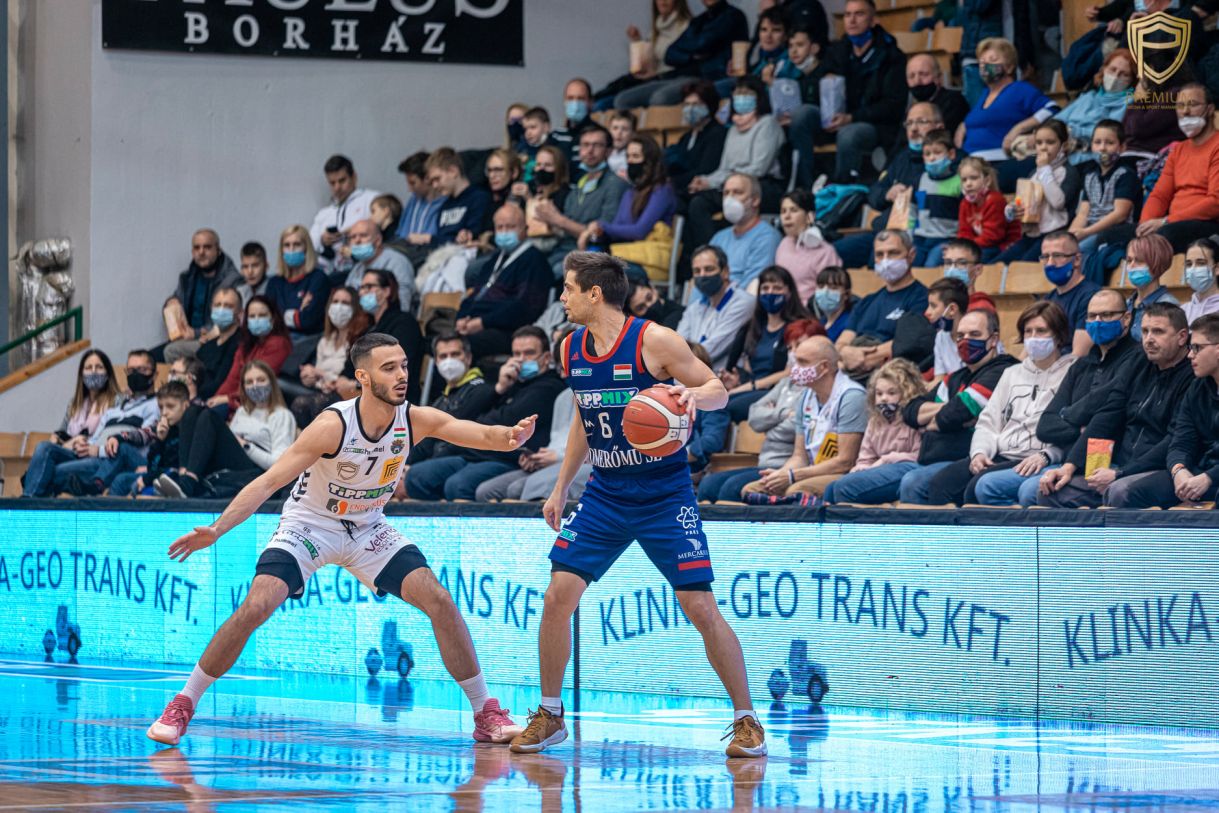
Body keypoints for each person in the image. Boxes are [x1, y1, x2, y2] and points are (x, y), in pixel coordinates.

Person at [147, 333, 537, 747]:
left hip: (368, 527)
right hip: (310, 525)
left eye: (404, 365)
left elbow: (469, 432)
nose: (402, 375)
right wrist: (218, 529)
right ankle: (183, 703)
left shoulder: (412, 419)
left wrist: (508, 436)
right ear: (363, 377)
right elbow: (268, 482)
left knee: (439, 600)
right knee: (256, 605)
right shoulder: (333, 425)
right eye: (389, 368)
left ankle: (485, 713)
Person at [508, 251, 766, 759]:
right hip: (605, 492)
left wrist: (694, 397)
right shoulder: (571, 347)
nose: (562, 297)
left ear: (594, 293)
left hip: (664, 493)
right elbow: (585, 418)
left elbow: (716, 388)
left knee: (700, 607)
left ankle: (747, 720)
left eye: (568, 288)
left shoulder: (655, 340)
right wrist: (561, 487)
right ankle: (551, 714)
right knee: (558, 596)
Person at [1039, 302, 1194, 509]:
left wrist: (1120, 473)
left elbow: (1174, 440)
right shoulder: (1139, 362)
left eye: (1158, 332)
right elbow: (1108, 414)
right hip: (1120, 466)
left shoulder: (1193, 376)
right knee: (1050, 492)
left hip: (1161, 469)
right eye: (1145, 331)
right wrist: (1069, 466)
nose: (1149, 339)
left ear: (1182, 337)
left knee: (1119, 491)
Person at [923, 301, 1075, 505]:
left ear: (1058, 335)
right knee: (940, 485)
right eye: (1028, 331)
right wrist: (979, 453)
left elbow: (1074, 430)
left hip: (1039, 458)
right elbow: (988, 423)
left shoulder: (1074, 372)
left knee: (977, 487)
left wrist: (1049, 455)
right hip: (1001, 454)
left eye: (1041, 331)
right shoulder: (1011, 373)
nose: (1033, 338)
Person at [406, 327, 565, 501]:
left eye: (529, 353)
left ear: (547, 358)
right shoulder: (511, 384)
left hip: (506, 457)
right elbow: (465, 420)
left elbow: (502, 420)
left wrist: (481, 420)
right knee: (416, 476)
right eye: (516, 354)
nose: (520, 360)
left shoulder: (548, 387)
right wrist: (501, 388)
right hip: (476, 453)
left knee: (458, 485)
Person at [890, 308, 1018, 503]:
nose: (965, 341)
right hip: (928, 458)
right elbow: (910, 411)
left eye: (974, 334)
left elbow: (952, 416)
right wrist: (952, 407)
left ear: (993, 340)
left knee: (913, 482)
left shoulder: (1002, 371)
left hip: (968, 457)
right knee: (844, 487)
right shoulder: (955, 377)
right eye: (960, 336)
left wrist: (937, 417)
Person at [691, 266, 813, 468]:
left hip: (776, 389)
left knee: (722, 403)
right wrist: (739, 380)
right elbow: (746, 365)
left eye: (777, 288)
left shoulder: (796, 327)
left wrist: (749, 387)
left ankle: (701, 455)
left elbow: (790, 371)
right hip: (751, 388)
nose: (770, 293)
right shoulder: (752, 327)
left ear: (789, 291)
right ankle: (696, 453)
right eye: (765, 288)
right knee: (709, 400)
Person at [697, 318, 824, 502]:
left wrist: (770, 423)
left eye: (799, 345)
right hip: (764, 463)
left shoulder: (815, 388)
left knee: (730, 489)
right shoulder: (785, 383)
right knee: (708, 485)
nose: (794, 353)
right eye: (790, 347)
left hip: (788, 466)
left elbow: (795, 426)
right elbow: (754, 415)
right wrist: (783, 414)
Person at [787, 0, 906, 186]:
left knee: (849, 134)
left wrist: (851, 117)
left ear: (873, 20)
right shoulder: (837, 50)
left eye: (859, 14)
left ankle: (842, 191)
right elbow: (814, 89)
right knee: (802, 114)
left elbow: (892, 106)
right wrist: (824, 79)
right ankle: (805, 186)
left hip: (873, 125)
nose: (852, 20)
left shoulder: (891, 56)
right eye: (847, 14)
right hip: (836, 118)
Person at [1032, 287, 1141, 485]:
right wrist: (1079, 428)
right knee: (985, 485)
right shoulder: (1080, 365)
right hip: (1065, 458)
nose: (1098, 321)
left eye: (1106, 315)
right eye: (1092, 316)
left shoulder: (1137, 357)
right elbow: (1045, 426)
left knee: (1029, 490)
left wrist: (1066, 413)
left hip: (1110, 463)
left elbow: (1108, 400)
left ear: (1126, 318)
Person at [740, 336, 865, 502]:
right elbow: (800, 456)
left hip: (843, 474)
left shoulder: (851, 397)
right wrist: (781, 474)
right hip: (811, 470)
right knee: (752, 489)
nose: (795, 368)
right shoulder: (806, 397)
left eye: (802, 362)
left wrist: (793, 476)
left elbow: (845, 462)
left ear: (824, 367)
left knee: (796, 491)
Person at [22, 350, 161, 498]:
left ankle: (28, 501)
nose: (135, 375)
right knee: (44, 447)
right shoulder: (113, 411)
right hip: (90, 455)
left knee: (50, 471)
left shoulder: (157, 405)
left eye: (142, 370)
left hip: (110, 461)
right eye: (131, 371)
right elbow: (95, 439)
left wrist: (97, 450)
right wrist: (83, 446)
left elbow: (141, 438)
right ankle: (29, 498)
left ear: (155, 374)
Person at [829, 101, 943, 269]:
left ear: (939, 127)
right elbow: (874, 193)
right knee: (829, 255)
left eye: (921, 122)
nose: (914, 129)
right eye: (909, 123)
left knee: (880, 261)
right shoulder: (902, 157)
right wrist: (887, 194)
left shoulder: (949, 162)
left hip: (918, 236)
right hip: (883, 232)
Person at [685, 78, 786, 258]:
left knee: (733, 202)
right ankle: (710, 254)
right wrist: (706, 181)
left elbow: (759, 168)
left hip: (762, 185)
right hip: (731, 184)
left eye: (747, 94)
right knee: (698, 203)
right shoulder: (732, 130)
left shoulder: (768, 124)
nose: (741, 98)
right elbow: (724, 168)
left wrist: (726, 181)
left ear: (758, 98)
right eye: (738, 94)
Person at [1128, 313, 1219, 507]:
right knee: (1135, 492)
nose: (1190, 355)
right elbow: (1181, 442)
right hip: (1200, 471)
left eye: (1197, 348)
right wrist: (1179, 470)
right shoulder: (1198, 388)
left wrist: (1209, 477)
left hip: (1212, 476)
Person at [956, 37, 1059, 193]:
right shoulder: (983, 95)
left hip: (998, 163)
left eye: (992, 60)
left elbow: (1052, 109)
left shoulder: (1020, 89)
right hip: (970, 164)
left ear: (1010, 67)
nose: (985, 66)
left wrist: (1018, 128)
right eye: (982, 62)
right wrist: (964, 125)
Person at [456, 204, 553, 360]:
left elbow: (524, 308)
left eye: (511, 227)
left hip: (507, 331)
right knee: (439, 339)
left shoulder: (534, 261)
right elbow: (474, 294)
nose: (504, 232)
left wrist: (483, 322)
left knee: (459, 346)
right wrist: (462, 318)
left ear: (525, 228)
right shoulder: (494, 259)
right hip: (477, 323)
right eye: (500, 227)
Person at [613, 0, 750, 109]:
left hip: (711, 77)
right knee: (622, 100)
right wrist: (691, 56)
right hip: (682, 75)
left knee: (660, 98)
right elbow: (670, 54)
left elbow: (703, 44)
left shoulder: (733, 16)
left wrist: (689, 50)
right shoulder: (698, 21)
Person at [823, 358, 925, 504]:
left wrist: (886, 459)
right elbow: (866, 457)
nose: (884, 398)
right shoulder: (874, 422)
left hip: (907, 469)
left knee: (843, 487)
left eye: (891, 393)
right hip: (877, 469)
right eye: (879, 393)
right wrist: (861, 468)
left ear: (907, 393)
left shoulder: (914, 419)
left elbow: (919, 456)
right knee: (830, 488)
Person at [534, 125, 628, 274]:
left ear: (609, 151)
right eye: (585, 145)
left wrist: (559, 220)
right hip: (563, 248)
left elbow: (601, 234)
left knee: (544, 272)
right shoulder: (581, 182)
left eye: (597, 145)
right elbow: (567, 223)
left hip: (591, 253)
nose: (590, 150)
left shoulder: (615, 185)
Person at [1137, 83, 1219, 253]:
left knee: (1163, 236)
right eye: (1180, 106)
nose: (1185, 111)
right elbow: (1160, 195)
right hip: (1173, 223)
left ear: (1210, 109)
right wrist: (1145, 225)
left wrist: (1166, 221)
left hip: (1208, 223)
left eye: (1193, 104)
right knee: (1111, 236)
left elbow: (1215, 202)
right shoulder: (1178, 150)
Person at [586, 135, 678, 284]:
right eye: (628, 156)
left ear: (650, 161)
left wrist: (601, 225)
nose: (630, 161)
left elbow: (639, 231)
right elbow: (618, 227)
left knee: (596, 273)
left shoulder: (662, 190)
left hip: (650, 263)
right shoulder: (630, 192)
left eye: (636, 156)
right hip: (627, 256)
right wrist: (598, 231)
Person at [836, 230, 929, 378]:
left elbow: (907, 343)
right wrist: (845, 352)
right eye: (879, 254)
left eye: (893, 253)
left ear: (911, 255)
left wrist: (858, 359)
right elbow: (841, 343)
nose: (886, 261)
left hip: (892, 377)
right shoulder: (866, 301)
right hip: (853, 375)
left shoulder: (922, 298)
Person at [996, 120, 1081, 263]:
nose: (1043, 147)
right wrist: (1011, 210)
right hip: (1031, 234)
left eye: (1050, 142)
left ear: (1064, 145)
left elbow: (1058, 202)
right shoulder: (1034, 173)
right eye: (1039, 143)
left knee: (1023, 267)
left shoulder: (1068, 172)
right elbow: (1021, 200)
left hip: (1054, 236)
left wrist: (1044, 169)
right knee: (997, 265)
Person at [409, 333, 498, 466]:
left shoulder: (482, 390)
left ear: (468, 358)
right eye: (443, 356)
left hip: (466, 460)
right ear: (436, 362)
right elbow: (425, 442)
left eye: (455, 354)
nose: (449, 361)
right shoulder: (441, 399)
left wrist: (415, 469)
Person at [290, 286, 370, 427]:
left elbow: (350, 379)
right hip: (323, 391)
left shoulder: (359, 341)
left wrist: (320, 373)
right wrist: (310, 378)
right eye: (335, 301)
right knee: (302, 405)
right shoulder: (326, 340)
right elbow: (319, 380)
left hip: (347, 395)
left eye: (345, 303)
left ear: (355, 308)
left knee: (314, 404)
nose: (339, 307)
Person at [342, 270, 425, 405]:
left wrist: (356, 384)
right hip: (363, 394)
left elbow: (396, 368)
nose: (362, 292)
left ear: (386, 291)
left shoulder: (404, 323)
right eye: (361, 288)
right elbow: (352, 364)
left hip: (393, 398)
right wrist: (342, 379)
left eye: (369, 287)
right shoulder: (368, 327)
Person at [593, 0, 693, 110]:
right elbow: (650, 61)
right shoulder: (656, 29)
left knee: (611, 102)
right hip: (649, 78)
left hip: (668, 79)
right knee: (604, 96)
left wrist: (654, 73)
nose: (663, 1)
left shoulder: (687, 27)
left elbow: (684, 62)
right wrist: (637, 41)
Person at [1068, 119, 1140, 267]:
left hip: (1114, 232)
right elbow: (1083, 214)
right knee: (1062, 249)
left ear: (1122, 147)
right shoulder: (1089, 175)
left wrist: (1086, 232)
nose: (1102, 148)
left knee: (1078, 253)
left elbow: (1120, 214)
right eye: (1097, 142)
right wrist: (1071, 235)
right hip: (1090, 230)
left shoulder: (1125, 174)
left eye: (1109, 143)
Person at [162, 228, 241, 361]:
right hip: (188, 338)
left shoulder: (232, 280)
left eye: (207, 247)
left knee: (171, 351)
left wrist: (196, 333)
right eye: (197, 248)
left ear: (218, 250)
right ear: (192, 252)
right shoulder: (187, 277)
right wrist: (171, 302)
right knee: (150, 357)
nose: (201, 252)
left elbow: (231, 319)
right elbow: (174, 303)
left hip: (215, 338)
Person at [676, 245, 757, 369]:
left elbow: (709, 351)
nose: (702, 275)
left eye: (709, 269)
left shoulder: (743, 302)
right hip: (687, 370)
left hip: (720, 376)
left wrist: (675, 359)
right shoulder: (695, 307)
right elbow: (677, 343)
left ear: (725, 272)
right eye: (697, 271)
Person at [208, 296, 292, 412]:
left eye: (262, 315)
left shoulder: (279, 344)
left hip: (258, 402)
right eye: (252, 316)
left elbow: (258, 382)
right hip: (236, 400)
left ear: (273, 319)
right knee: (204, 410)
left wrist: (227, 399)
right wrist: (217, 397)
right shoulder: (246, 345)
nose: (256, 320)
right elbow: (232, 379)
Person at [110, 382, 191, 498]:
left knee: (130, 484)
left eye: (170, 406)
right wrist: (160, 441)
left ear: (186, 406)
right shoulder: (163, 429)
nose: (164, 413)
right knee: (121, 479)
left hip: (174, 478)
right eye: (161, 407)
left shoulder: (191, 430)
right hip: (158, 475)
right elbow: (152, 467)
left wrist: (146, 479)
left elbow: (174, 468)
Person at [706, 173, 784, 289]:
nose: (729, 199)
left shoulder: (767, 237)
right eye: (726, 193)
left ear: (755, 200)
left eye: (737, 192)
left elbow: (751, 288)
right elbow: (703, 279)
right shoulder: (718, 238)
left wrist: (718, 299)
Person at [309, 155, 380, 275]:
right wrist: (323, 240)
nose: (337, 187)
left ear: (354, 177)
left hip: (363, 269)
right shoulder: (324, 213)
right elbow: (309, 244)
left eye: (342, 181)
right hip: (331, 272)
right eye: (332, 183)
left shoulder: (371, 200)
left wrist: (354, 230)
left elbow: (385, 222)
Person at [227, 361, 298, 472]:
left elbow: (279, 464)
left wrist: (245, 445)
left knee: (209, 417)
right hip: (229, 462)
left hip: (254, 470)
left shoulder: (282, 415)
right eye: (249, 382)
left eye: (261, 380)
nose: (255, 386)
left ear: (271, 383)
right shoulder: (242, 411)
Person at [1040, 230, 1102, 358]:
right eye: (1045, 257)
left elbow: (1078, 355)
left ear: (1077, 259)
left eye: (1057, 255)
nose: (1050, 263)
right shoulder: (1047, 300)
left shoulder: (1092, 297)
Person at [1054, 49, 1135, 146]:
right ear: (1104, 69)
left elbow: (1109, 134)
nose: (1116, 76)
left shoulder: (1127, 104)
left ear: (1132, 80)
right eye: (1112, 69)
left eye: (1124, 74)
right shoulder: (1089, 96)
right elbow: (1056, 122)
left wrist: (1072, 131)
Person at [774, 189, 841, 303]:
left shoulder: (826, 252)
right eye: (783, 211)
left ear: (810, 216)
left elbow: (830, 296)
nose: (787, 216)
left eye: (794, 210)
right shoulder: (784, 244)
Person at [665, 81, 729, 197]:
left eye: (696, 104)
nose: (690, 109)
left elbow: (706, 169)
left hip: (702, 191)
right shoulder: (687, 136)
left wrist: (672, 182)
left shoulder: (717, 133)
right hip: (683, 189)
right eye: (687, 104)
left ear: (709, 105)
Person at [338, 218, 416, 313]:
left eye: (363, 235)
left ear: (378, 240)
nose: (357, 240)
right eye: (353, 237)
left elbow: (402, 305)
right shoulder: (357, 269)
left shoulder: (397, 262)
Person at [267, 225, 331, 337]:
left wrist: (281, 315)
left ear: (306, 248)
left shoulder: (318, 279)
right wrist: (296, 313)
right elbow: (268, 319)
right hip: (279, 339)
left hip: (307, 340)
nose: (291, 249)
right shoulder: (274, 283)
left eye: (297, 244)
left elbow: (307, 320)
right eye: (287, 245)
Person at [911, 128, 962, 266]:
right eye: (927, 154)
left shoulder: (959, 182)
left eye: (937, 152)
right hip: (919, 238)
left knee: (931, 265)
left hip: (946, 238)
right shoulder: (919, 180)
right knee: (911, 263)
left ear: (951, 154)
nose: (932, 158)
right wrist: (909, 236)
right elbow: (912, 211)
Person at [427, 148, 493, 249]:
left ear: (453, 171)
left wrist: (430, 239)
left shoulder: (479, 198)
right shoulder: (444, 206)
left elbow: (475, 236)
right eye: (432, 182)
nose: (434, 186)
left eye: (437, 179)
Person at [957, 156, 1020, 262]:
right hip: (980, 245)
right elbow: (964, 231)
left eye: (974, 178)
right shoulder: (965, 203)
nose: (968, 184)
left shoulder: (995, 200)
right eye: (964, 180)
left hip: (1003, 246)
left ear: (987, 180)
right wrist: (964, 246)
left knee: (973, 260)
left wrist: (970, 247)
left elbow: (993, 236)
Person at [1122, 235, 1179, 343]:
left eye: (1139, 260)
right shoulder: (1126, 304)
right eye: (1129, 260)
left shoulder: (1168, 306)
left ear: (1157, 262)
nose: (1132, 265)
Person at [196, 287, 244, 401]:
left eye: (228, 306)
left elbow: (219, 383)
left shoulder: (240, 343)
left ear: (240, 313)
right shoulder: (208, 344)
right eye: (217, 305)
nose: (221, 310)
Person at [905, 53, 969, 138]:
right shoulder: (910, 108)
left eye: (924, 74)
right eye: (911, 76)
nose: (917, 81)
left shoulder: (954, 102)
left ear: (939, 77)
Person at [921, 277, 971, 381]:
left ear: (952, 309)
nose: (927, 312)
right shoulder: (941, 337)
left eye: (933, 306)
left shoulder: (977, 338)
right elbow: (939, 380)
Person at [554, 79, 595, 164]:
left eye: (581, 99)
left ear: (590, 102)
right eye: (570, 98)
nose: (575, 103)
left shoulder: (599, 135)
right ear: (564, 101)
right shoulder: (556, 136)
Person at [810, 266, 856, 342]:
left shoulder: (851, 323)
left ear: (847, 294)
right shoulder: (820, 322)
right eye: (821, 287)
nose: (825, 292)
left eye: (833, 287)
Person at [1183, 238, 1219, 323]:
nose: (1193, 269)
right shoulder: (1182, 311)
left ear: (1217, 268)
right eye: (1189, 264)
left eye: (1201, 263)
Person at [606, 110, 636, 180]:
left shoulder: (635, 158)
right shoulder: (603, 153)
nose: (619, 133)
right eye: (615, 128)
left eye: (625, 129)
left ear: (633, 133)